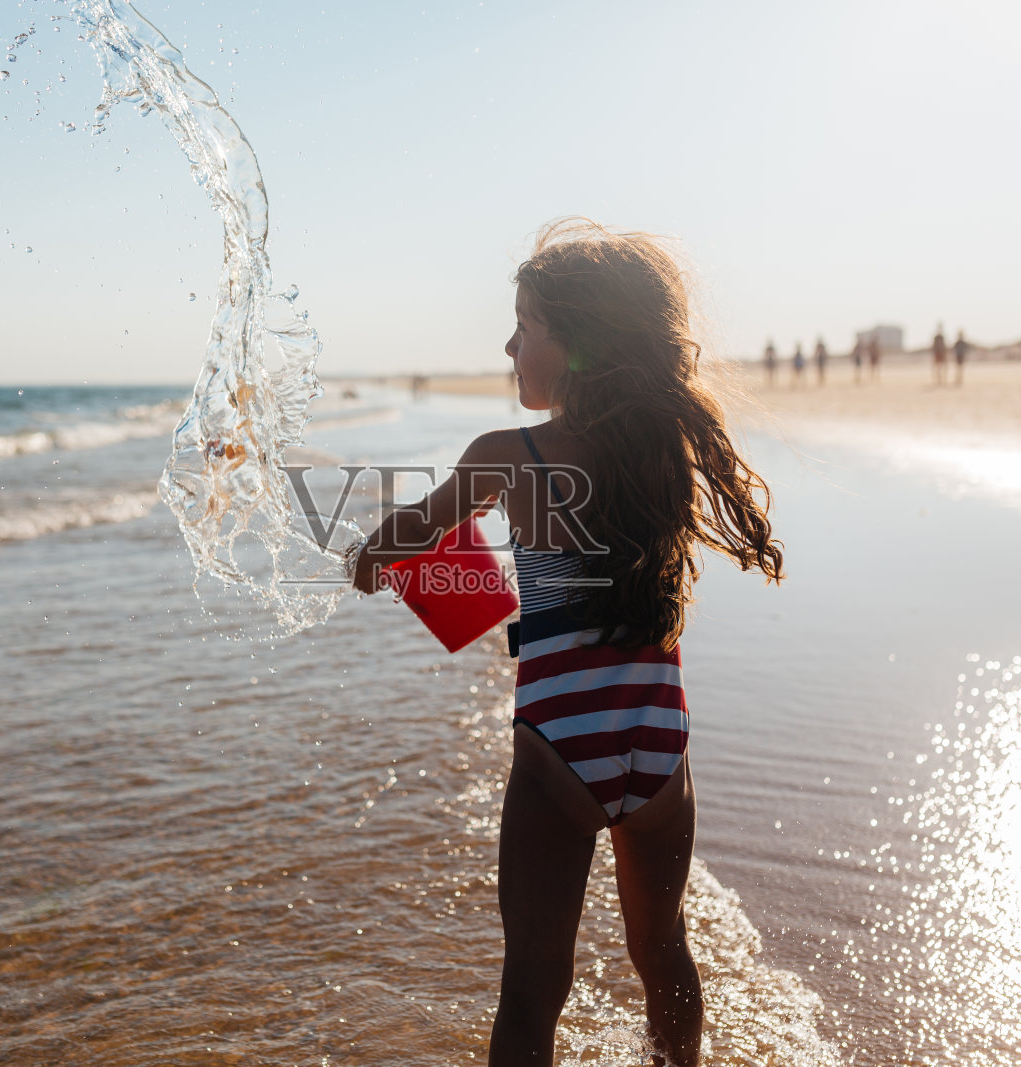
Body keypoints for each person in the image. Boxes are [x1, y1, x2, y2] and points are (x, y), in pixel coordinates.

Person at [350, 219, 785, 1067]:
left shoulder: (507, 456)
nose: (509, 343)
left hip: (559, 750)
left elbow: (409, 534)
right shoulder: (662, 448)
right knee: (663, 951)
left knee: (532, 984)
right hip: (658, 744)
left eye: (526, 325)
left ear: (577, 342)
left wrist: (369, 556)